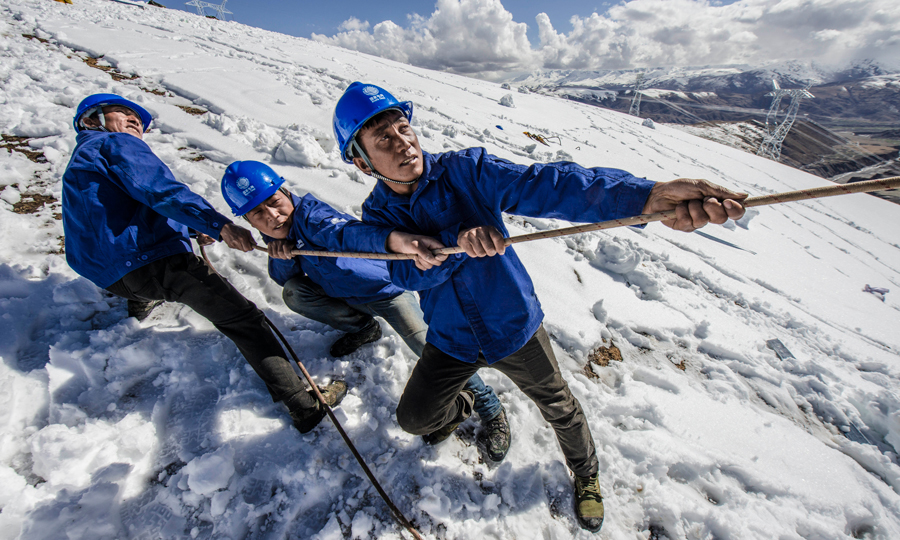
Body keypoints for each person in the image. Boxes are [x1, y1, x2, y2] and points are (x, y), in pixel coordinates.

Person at [332, 82, 747, 532]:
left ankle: (586, 475)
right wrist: (454, 245)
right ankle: (471, 406)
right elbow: (406, 275)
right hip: (452, 337)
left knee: (560, 408)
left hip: (514, 327)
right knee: (414, 418)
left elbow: (548, 184)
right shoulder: (377, 217)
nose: (403, 143)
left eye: (404, 127)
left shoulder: (468, 170)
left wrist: (644, 197)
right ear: (361, 161)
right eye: (384, 139)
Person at [61, 93, 346, 434]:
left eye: (138, 118)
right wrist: (219, 224)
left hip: (109, 275)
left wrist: (189, 225)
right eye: (123, 113)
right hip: (153, 263)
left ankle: (141, 300)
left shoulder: (82, 161)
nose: (136, 120)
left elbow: (130, 206)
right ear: (91, 120)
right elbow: (159, 191)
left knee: (149, 281)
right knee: (245, 320)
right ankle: (305, 406)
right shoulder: (114, 145)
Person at [219, 160, 512, 461]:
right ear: (250, 222)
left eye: (274, 202)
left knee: (430, 348)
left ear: (286, 192)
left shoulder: (315, 218)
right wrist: (279, 250)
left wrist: (392, 240)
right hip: (345, 296)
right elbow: (284, 277)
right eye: (258, 213)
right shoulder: (278, 236)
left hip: (386, 292)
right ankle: (364, 328)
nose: (273, 215)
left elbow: (345, 233)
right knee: (294, 293)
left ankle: (491, 407)